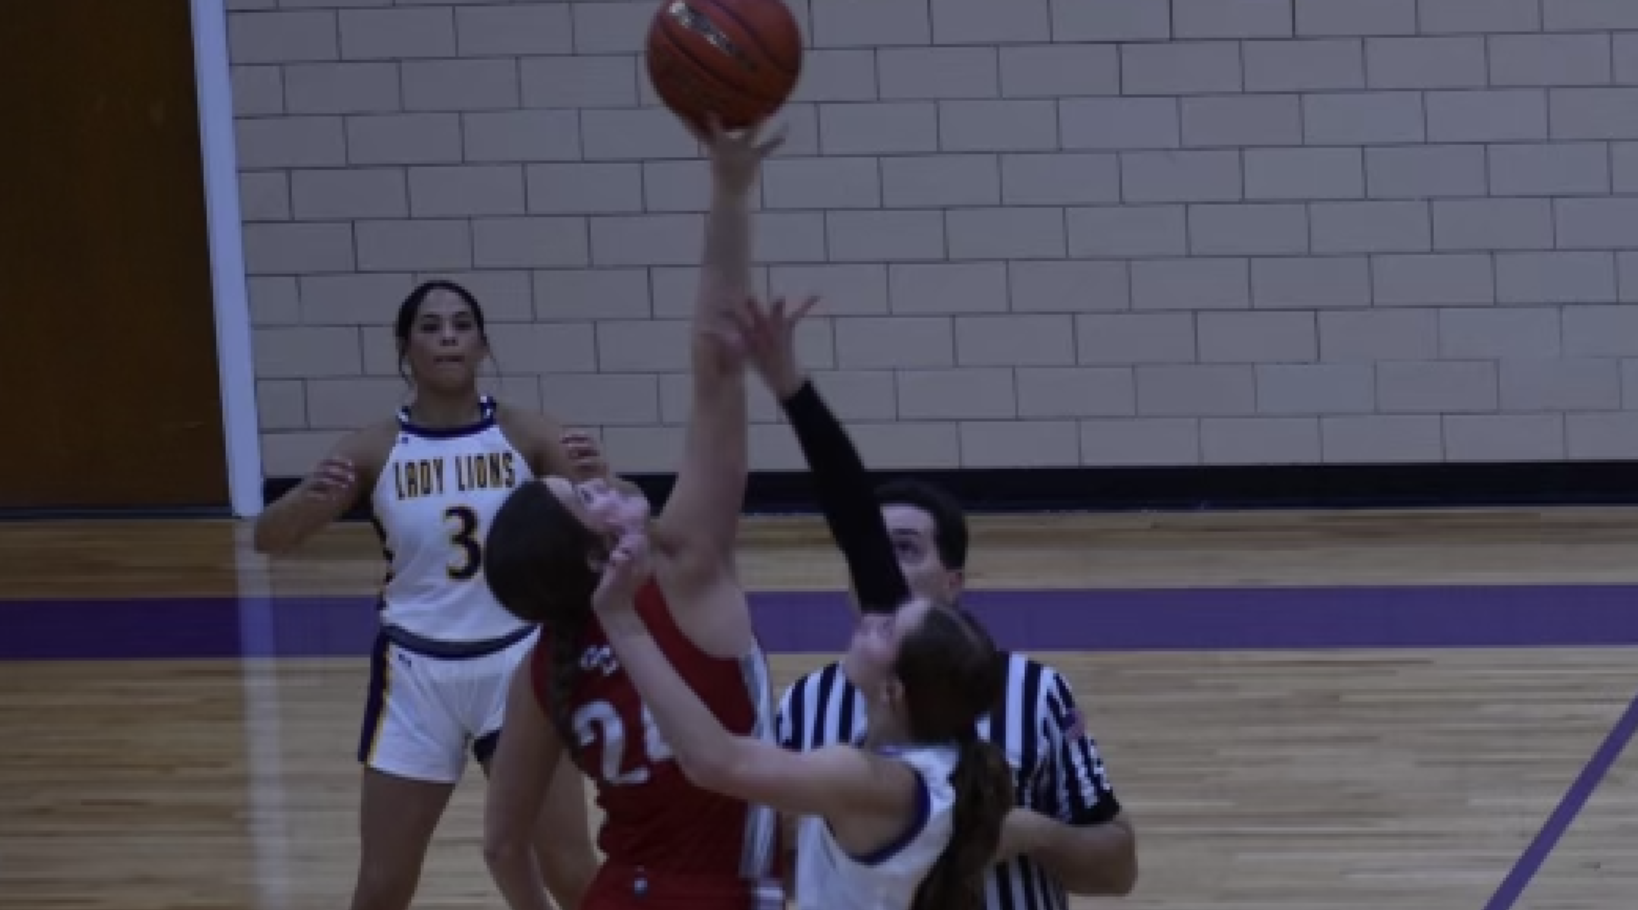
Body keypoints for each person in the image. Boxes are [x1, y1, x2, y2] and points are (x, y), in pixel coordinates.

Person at [730, 297, 1141, 909]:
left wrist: (1033, 832)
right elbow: (762, 875)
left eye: (908, 550)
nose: (884, 571)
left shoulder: (1034, 694)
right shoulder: (804, 708)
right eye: (876, 554)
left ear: (954, 582)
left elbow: (1117, 871)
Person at [478, 117, 789, 910]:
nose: (604, 484)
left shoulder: (543, 662)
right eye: (587, 499)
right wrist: (729, 189)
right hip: (728, 894)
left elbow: (503, 844)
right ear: (595, 556)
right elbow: (716, 365)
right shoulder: (687, 570)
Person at [251, 279, 602, 910]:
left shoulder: (529, 435)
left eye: (462, 324)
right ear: (404, 350)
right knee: (383, 885)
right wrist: (304, 500)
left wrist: (603, 478)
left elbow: (631, 518)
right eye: (431, 326)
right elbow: (269, 539)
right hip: (415, 675)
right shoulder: (374, 446)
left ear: (483, 346)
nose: (448, 336)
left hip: (521, 665)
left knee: (572, 873)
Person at [587, 526, 1015, 910]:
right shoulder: (941, 758)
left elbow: (715, 762)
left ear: (892, 690)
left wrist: (622, 622)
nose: (870, 619)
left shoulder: (865, 777)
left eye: (887, 630)